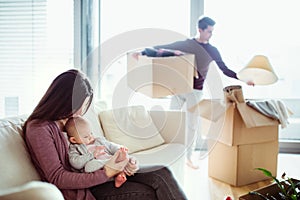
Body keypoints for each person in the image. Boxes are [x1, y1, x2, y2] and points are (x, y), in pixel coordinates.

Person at [23, 69, 187, 200]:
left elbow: (101, 146)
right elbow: (58, 177)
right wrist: (107, 172)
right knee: (147, 192)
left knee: (162, 173)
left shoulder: (68, 121)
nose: (81, 112)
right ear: (63, 100)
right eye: (80, 105)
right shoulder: (39, 129)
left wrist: (127, 163)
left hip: (104, 173)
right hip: (86, 188)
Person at [135, 16, 254, 169]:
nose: (211, 35)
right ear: (200, 30)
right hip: (178, 89)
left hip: (195, 92)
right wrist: (140, 52)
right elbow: (160, 47)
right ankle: (168, 154)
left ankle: (188, 158)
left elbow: (225, 69)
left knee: (191, 125)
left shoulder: (212, 50)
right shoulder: (187, 44)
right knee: (172, 119)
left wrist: (243, 79)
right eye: (209, 31)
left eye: (212, 31)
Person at [65, 116, 133, 188]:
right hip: (96, 168)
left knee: (124, 159)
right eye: (86, 137)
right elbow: (75, 163)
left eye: (91, 133)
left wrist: (119, 148)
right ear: (73, 140)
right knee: (89, 166)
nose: (91, 137)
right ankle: (115, 161)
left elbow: (110, 146)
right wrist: (92, 155)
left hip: (108, 163)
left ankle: (119, 175)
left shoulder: (98, 140)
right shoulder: (75, 148)